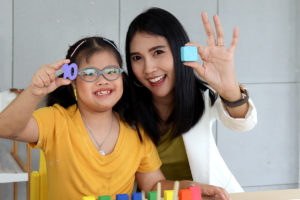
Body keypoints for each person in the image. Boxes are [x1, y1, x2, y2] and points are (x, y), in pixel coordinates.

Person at [0, 36, 166, 199]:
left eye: (111, 71)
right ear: (72, 81)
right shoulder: (56, 120)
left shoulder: (137, 132)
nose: (103, 80)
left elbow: (153, 185)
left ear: (122, 77)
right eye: (90, 73)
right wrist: (34, 91)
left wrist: (187, 185)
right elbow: (4, 128)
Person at [125, 7, 257, 194]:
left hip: (214, 196)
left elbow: (244, 123)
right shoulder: (125, 108)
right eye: (137, 57)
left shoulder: (201, 95)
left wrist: (230, 90)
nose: (148, 68)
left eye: (158, 52)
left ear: (179, 50)